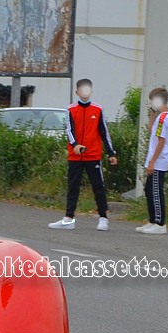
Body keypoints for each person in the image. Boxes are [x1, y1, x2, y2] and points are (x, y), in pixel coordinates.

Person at [48, 78, 118, 231]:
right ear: (77, 92)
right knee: (73, 186)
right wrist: (75, 145)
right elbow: (69, 130)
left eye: (88, 89)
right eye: (82, 89)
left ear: (91, 91)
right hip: (76, 156)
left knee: (98, 186)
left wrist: (111, 152)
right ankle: (69, 218)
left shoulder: (98, 109)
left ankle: (103, 218)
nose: (85, 92)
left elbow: (104, 132)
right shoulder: (71, 109)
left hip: (93, 155)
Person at [136, 87, 168, 235]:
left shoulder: (165, 117)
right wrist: (152, 112)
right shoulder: (161, 117)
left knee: (156, 191)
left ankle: (160, 222)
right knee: (149, 190)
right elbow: (152, 129)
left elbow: (161, 141)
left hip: (159, 160)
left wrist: (152, 162)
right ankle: (152, 220)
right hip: (155, 160)